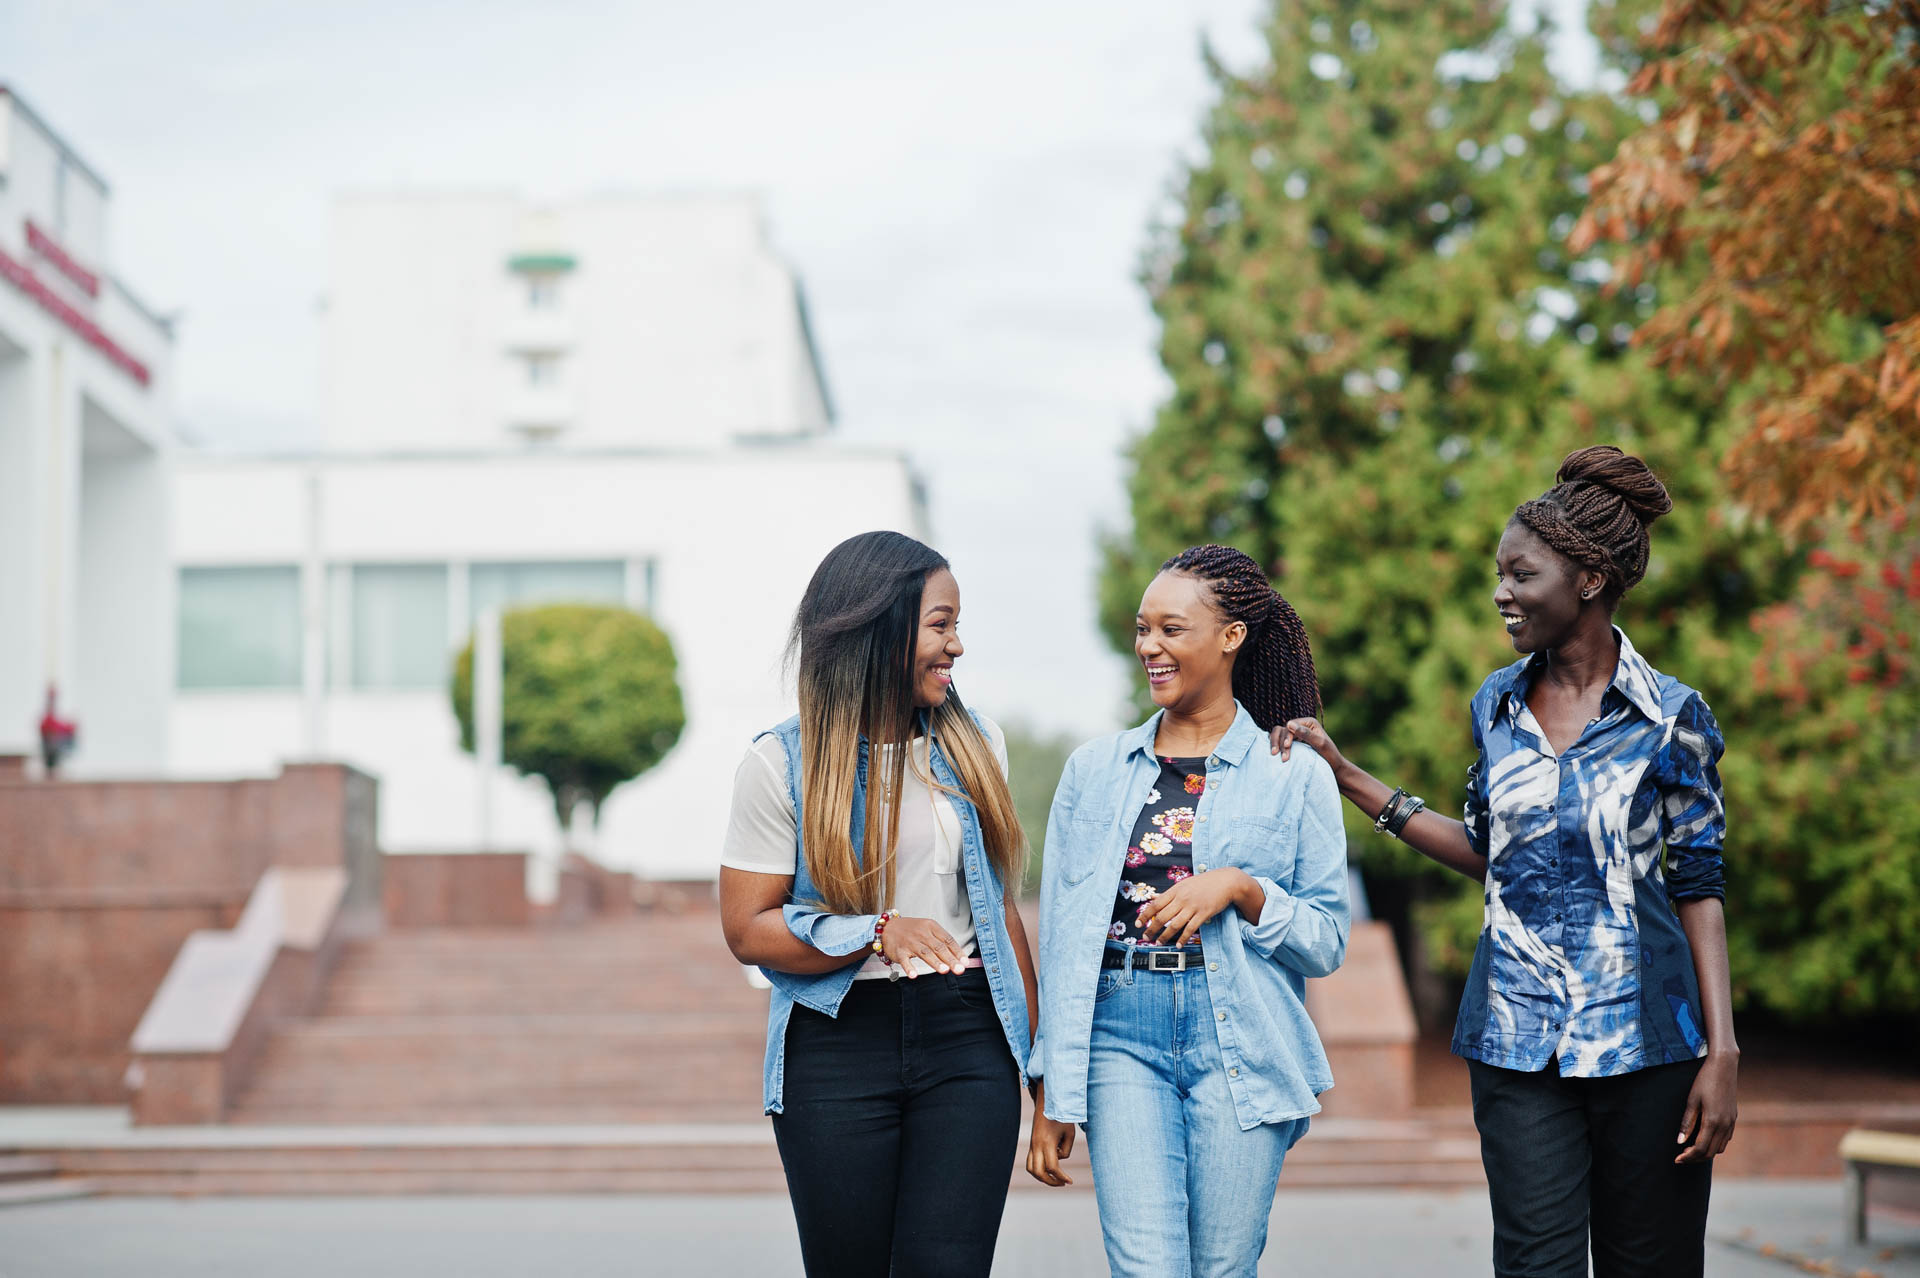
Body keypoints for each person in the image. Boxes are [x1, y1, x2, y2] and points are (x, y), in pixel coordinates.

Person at [1275, 446, 1737, 1278]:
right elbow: (1491, 853)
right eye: (1500, 574)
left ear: (1588, 578)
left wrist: (1723, 1051)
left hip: (1651, 1046)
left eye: (1520, 575)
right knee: (1533, 1266)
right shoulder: (1497, 703)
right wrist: (1347, 777)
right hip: (1517, 1041)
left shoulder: (1673, 717)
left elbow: (1699, 883)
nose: (1501, 594)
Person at [718, 530, 1038, 1278]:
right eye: (941, 624)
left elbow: (1001, 911)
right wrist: (875, 933)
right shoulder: (779, 763)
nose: (957, 645)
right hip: (836, 1043)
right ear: (879, 626)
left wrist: (1043, 1071)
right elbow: (746, 928)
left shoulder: (973, 742)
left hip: (967, 1038)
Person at [1026, 543, 1349, 1278]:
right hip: (1120, 1032)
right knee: (1147, 1269)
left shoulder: (1294, 773)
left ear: (1230, 636)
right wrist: (1052, 1086)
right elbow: (1067, 941)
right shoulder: (1094, 771)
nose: (1149, 647)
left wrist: (1241, 887)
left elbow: (1327, 942)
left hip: (1239, 1032)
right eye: (1143, 630)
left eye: (1171, 629)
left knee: (1223, 1268)